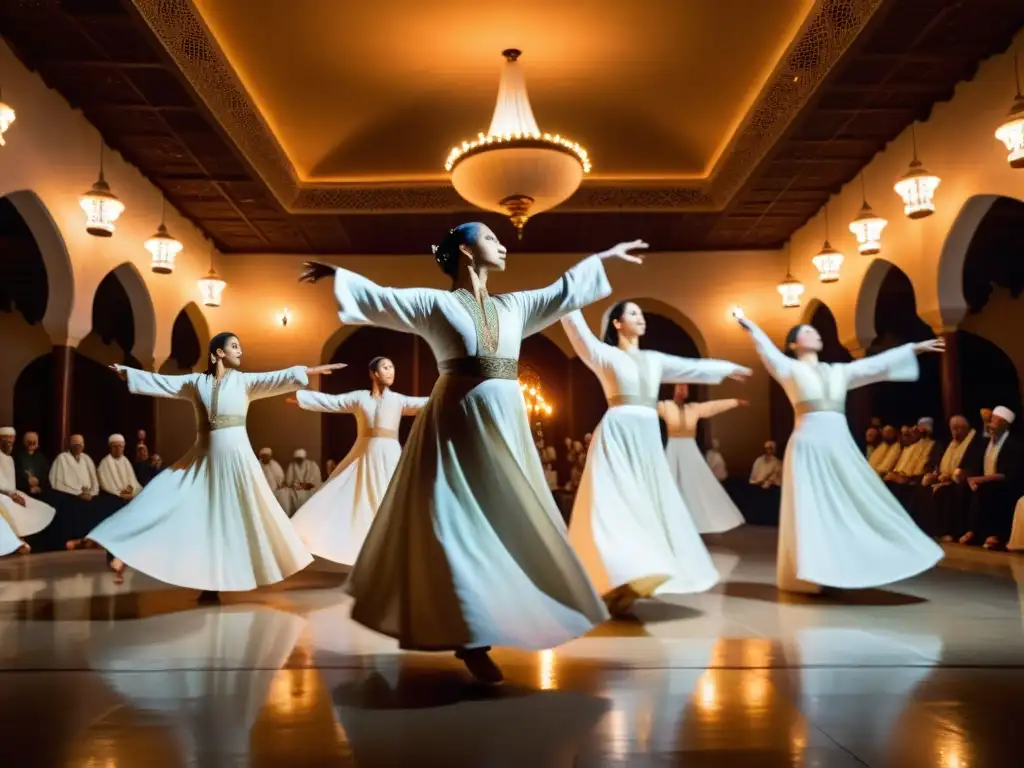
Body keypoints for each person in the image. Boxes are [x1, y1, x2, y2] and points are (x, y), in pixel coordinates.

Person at [299, 222, 647, 683]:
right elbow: (385, 297)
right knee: (454, 522)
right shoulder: (436, 302)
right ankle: (471, 637)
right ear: (464, 250)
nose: (502, 244)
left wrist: (604, 257)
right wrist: (339, 274)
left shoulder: (514, 305)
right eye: (489, 237)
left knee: (508, 519)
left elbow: (561, 291)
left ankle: (512, 609)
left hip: (505, 423)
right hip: (454, 420)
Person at [83, 332, 342, 594]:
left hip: (237, 461)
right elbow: (163, 382)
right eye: (234, 346)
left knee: (239, 519)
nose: (240, 351)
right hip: (203, 459)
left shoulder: (243, 381)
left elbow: (276, 378)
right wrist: (130, 374)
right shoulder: (196, 382)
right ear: (219, 353)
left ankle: (218, 580)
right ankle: (122, 549)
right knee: (161, 495)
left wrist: (309, 370)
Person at [561, 304, 751, 617]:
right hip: (618, 431)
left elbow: (690, 367)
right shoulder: (605, 355)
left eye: (641, 313)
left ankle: (637, 571)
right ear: (618, 324)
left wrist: (725, 368)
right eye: (633, 314)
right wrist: (571, 293)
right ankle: (611, 572)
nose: (641, 317)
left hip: (647, 435)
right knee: (615, 501)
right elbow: (577, 331)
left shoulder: (654, 360)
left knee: (649, 502)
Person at [736, 313, 945, 593]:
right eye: (808, 332)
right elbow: (766, 349)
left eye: (815, 332)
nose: (815, 334)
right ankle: (812, 573)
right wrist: (749, 324)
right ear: (794, 344)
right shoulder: (788, 369)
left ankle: (851, 561)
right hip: (808, 444)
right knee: (811, 507)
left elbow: (875, 366)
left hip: (838, 442)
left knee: (858, 496)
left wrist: (913, 349)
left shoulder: (838, 371)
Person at [288, 356, 428, 566]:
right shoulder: (361, 398)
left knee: (393, 500)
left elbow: (426, 403)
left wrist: (451, 393)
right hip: (365, 455)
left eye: (392, 367)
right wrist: (302, 398)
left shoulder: (399, 400)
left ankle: (394, 552)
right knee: (356, 498)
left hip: (390, 455)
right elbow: (332, 402)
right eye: (385, 367)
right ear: (374, 373)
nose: (390, 371)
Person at [659, 382, 748, 533]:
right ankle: (669, 522)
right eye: (679, 386)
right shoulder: (665, 406)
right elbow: (646, 406)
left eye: (685, 387)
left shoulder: (693, 408)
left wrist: (735, 402)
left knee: (696, 484)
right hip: (674, 448)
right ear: (673, 389)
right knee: (670, 482)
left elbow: (713, 406)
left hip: (689, 449)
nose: (682, 389)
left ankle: (694, 522)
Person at [958, 406, 1023, 549]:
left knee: (989, 490)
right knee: (962, 488)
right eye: (991, 420)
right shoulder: (987, 442)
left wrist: (980, 480)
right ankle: (968, 531)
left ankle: (993, 535)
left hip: (1007, 483)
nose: (991, 424)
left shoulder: (1014, 444)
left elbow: (1007, 474)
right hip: (986, 481)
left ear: (1005, 424)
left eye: (995, 420)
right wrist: (970, 477)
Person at [917, 414, 983, 538]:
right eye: (953, 429)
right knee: (923, 489)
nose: (955, 432)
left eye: (958, 428)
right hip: (947, 478)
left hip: (965, 480)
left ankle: (951, 532)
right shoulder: (951, 443)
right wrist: (937, 475)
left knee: (947, 492)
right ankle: (928, 529)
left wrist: (952, 476)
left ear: (965, 428)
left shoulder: (975, 443)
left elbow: (972, 466)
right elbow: (941, 465)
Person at [0, 426, 55, 553]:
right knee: (9, 507)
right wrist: (10, 495)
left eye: (11, 440)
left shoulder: (9, 458)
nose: (9, 443)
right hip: (3, 494)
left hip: (11, 493)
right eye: (6, 440)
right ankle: (18, 542)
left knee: (38, 507)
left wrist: (14, 494)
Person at [49, 434, 100, 547]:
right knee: (73, 506)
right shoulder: (62, 458)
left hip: (87, 495)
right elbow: (56, 482)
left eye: (80, 444)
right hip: (69, 496)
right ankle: (75, 541)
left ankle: (88, 539)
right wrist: (77, 494)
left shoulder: (87, 458)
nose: (78, 447)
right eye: (75, 444)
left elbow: (94, 480)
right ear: (70, 445)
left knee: (96, 506)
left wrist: (91, 494)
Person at [96, 434, 141, 519]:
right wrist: (120, 494)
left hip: (128, 495)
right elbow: (105, 484)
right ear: (110, 448)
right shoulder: (105, 462)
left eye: (120, 446)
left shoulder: (125, 461)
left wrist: (130, 489)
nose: (118, 449)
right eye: (115, 446)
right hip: (113, 497)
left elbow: (132, 480)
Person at [277, 449, 322, 516]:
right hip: (296, 487)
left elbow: (315, 479)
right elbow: (289, 481)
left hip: (309, 487)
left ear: (304, 458)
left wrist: (307, 484)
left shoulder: (312, 465)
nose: (299, 461)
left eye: (301, 459)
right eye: (297, 459)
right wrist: (298, 485)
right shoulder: (292, 465)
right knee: (282, 494)